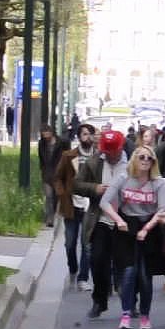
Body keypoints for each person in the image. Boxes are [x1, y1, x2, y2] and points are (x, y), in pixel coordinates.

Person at [99, 146, 165, 329]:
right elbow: (104, 202)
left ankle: (145, 316)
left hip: (149, 227)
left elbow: (163, 209)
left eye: (149, 158)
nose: (145, 161)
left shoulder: (159, 183)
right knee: (129, 272)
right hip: (127, 225)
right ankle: (126, 313)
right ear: (134, 159)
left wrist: (147, 228)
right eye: (141, 157)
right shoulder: (123, 178)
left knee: (145, 275)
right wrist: (118, 220)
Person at [75, 130, 130, 319]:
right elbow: (76, 185)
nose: (108, 154)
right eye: (105, 151)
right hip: (101, 219)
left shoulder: (133, 163)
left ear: (120, 148)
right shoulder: (94, 163)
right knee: (98, 259)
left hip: (126, 219)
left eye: (112, 151)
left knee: (127, 264)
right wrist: (94, 188)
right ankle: (99, 300)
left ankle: (131, 302)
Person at [53, 124, 96, 291]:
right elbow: (58, 178)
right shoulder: (68, 156)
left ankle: (83, 278)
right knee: (70, 243)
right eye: (85, 134)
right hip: (71, 204)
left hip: (90, 206)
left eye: (91, 134)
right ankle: (73, 268)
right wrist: (62, 193)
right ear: (79, 137)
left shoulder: (98, 156)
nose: (88, 137)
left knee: (87, 244)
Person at [38, 124, 65, 228]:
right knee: (49, 196)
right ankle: (50, 219)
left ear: (51, 132)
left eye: (47, 133)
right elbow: (41, 157)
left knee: (56, 196)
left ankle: (53, 214)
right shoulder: (42, 143)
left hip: (58, 173)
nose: (46, 136)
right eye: (44, 134)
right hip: (47, 173)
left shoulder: (61, 142)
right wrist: (42, 169)